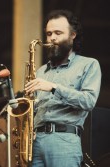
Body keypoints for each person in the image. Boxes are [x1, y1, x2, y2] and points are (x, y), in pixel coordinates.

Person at [25, 10, 101, 167]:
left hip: (64, 141)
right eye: (49, 33)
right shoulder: (40, 71)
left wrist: (53, 87)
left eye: (58, 33)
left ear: (73, 35)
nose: (52, 38)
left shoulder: (89, 64)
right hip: (35, 142)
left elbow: (89, 101)